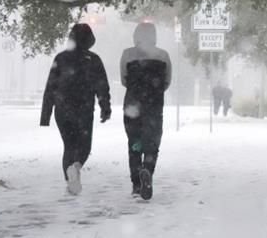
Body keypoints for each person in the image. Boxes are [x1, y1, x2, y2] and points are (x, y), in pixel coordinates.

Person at [40, 23, 111, 196]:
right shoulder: (93, 60)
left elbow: (50, 87)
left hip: (62, 110)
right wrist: (105, 107)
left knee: (69, 146)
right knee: (84, 147)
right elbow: (102, 86)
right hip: (84, 109)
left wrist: (46, 115)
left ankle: (70, 180)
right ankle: (76, 167)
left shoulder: (61, 58)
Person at [120, 22, 171, 200]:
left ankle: (136, 184)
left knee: (134, 143)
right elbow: (166, 81)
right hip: (154, 105)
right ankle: (147, 170)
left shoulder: (127, 54)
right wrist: (154, 91)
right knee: (152, 143)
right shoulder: (163, 55)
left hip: (132, 105)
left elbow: (123, 80)